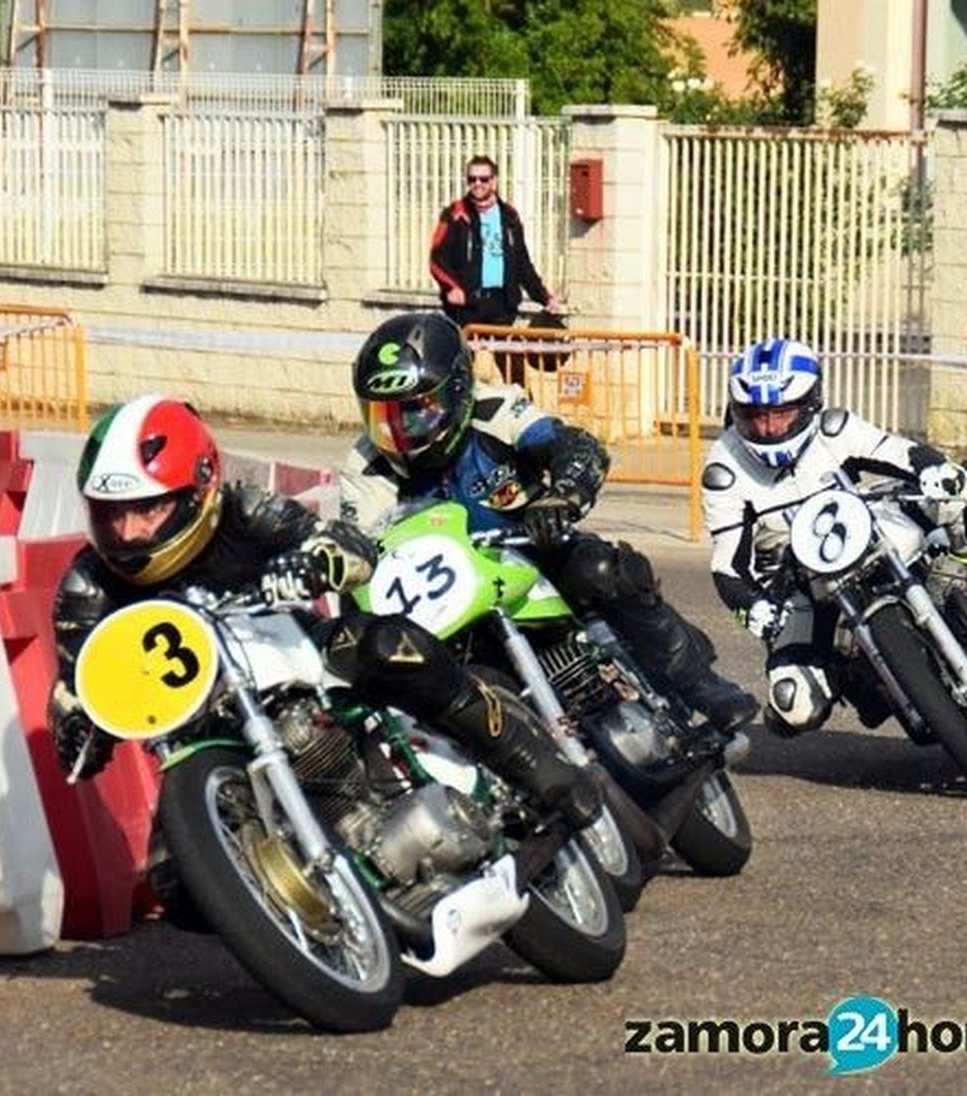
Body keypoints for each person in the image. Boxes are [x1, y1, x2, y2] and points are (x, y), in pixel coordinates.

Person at [47, 395, 600, 834]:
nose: (127, 531)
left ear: (197, 489)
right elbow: (77, 681)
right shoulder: (87, 584)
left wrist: (318, 562)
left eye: (147, 509)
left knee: (390, 647)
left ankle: (533, 764)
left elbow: (346, 546)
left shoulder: (243, 511)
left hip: (301, 654)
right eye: (110, 514)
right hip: (206, 720)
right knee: (178, 888)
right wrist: (76, 726)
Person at [339, 311, 759, 733]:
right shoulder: (364, 467)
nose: (399, 431)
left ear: (458, 390)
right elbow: (363, 551)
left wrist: (562, 494)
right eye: (384, 416)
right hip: (452, 594)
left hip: (532, 550)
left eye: (416, 413)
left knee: (603, 571)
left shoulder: (495, 409)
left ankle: (703, 685)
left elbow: (572, 446)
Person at [701, 338, 967, 737]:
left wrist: (933, 470)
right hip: (797, 582)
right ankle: (857, 676)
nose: (767, 428)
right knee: (794, 707)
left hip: (864, 527)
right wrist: (756, 610)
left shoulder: (834, 428)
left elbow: (904, 454)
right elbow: (727, 565)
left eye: (780, 414)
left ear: (810, 405)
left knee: (961, 484)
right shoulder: (723, 468)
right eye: (755, 416)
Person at [429, 155, 560, 330]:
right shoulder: (455, 214)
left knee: (500, 356)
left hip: (503, 305)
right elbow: (436, 259)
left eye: (483, 179)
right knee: (470, 356)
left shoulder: (509, 215)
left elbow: (522, 263)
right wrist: (451, 287)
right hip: (466, 306)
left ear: (494, 181)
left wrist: (545, 298)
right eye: (472, 179)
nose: (477, 184)